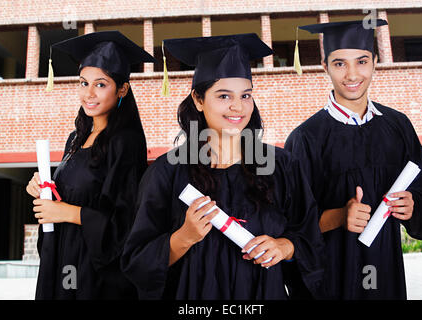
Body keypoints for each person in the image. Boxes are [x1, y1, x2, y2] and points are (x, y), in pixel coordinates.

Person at [121, 33, 325, 300]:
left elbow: (310, 237)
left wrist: (285, 247)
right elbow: (137, 261)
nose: (237, 106)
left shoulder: (281, 166)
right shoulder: (168, 172)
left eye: (246, 95)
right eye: (223, 95)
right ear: (198, 99)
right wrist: (184, 236)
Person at [284, 20, 422, 299]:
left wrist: (412, 205)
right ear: (325, 66)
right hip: (334, 278)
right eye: (339, 63)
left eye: (361, 61)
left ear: (375, 62)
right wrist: (339, 216)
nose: (352, 74)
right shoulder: (306, 138)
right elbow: (292, 225)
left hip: (386, 270)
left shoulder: (398, 127)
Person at [25, 31, 155, 299]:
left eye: (101, 84)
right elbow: (68, 195)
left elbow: (126, 221)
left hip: (95, 275)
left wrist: (64, 212)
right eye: (84, 83)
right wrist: (42, 188)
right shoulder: (76, 138)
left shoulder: (125, 143)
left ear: (122, 89)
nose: (89, 94)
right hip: (63, 258)